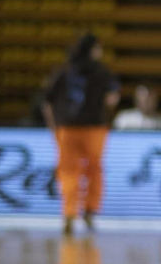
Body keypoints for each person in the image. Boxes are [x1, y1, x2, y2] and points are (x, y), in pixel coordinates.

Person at [43, 34, 121, 233]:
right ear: (93, 49)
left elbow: (47, 101)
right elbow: (112, 98)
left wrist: (54, 128)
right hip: (94, 129)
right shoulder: (102, 71)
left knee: (68, 171)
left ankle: (69, 213)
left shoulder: (63, 71)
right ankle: (89, 211)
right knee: (94, 170)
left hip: (67, 129)